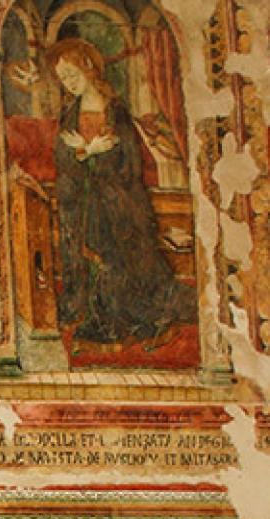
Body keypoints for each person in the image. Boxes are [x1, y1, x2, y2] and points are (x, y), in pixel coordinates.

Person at [46, 39, 193, 349]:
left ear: (88, 68)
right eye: (63, 79)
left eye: (72, 75)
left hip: (118, 202)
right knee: (90, 253)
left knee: (116, 258)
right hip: (84, 202)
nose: (69, 84)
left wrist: (94, 154)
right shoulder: (70, 113)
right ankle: (92, 314)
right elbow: (63, 159)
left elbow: (129, 166)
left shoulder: (116, 112)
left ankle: (118, 320)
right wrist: (88, 151)